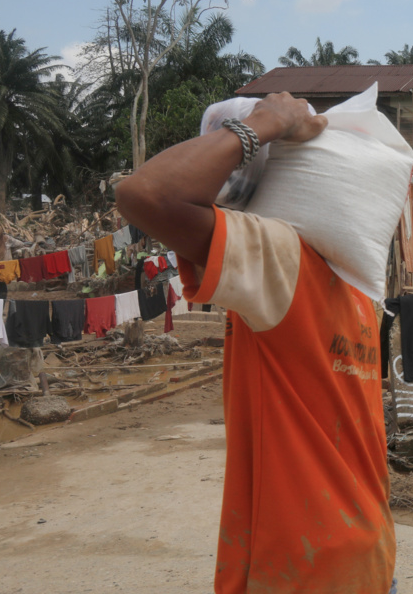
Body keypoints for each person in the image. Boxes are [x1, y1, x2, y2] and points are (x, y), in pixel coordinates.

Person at [116, 92, 396, 594]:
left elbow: (146, 196)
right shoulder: (356, 290)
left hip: (298, 569)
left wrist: (267, 121)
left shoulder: (281, 257)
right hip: (366, 553)